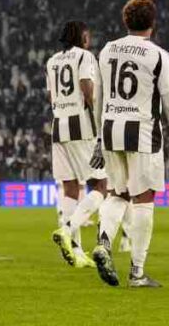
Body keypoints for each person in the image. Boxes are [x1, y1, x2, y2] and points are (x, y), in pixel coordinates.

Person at [90, 0, 169, 289]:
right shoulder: (159, 55)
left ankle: (104, 242)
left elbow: (99, 97)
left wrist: (99, 136)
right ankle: (137, 272)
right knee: (144, 198)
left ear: (125, 21)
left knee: (117, 193)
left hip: (110, 128)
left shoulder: (108, 50)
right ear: (153, 22)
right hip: (142, 132)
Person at [48, 20, 107, 269]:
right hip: (81, 125)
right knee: (101, 185)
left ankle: (76, 252)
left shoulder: (51, 62)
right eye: (88, 36)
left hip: (58, 125)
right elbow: (87, 88)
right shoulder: (85, 57)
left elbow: (51, 96)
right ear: (82, 36)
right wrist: (99, 117)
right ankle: (67, 229)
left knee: (70, 187)